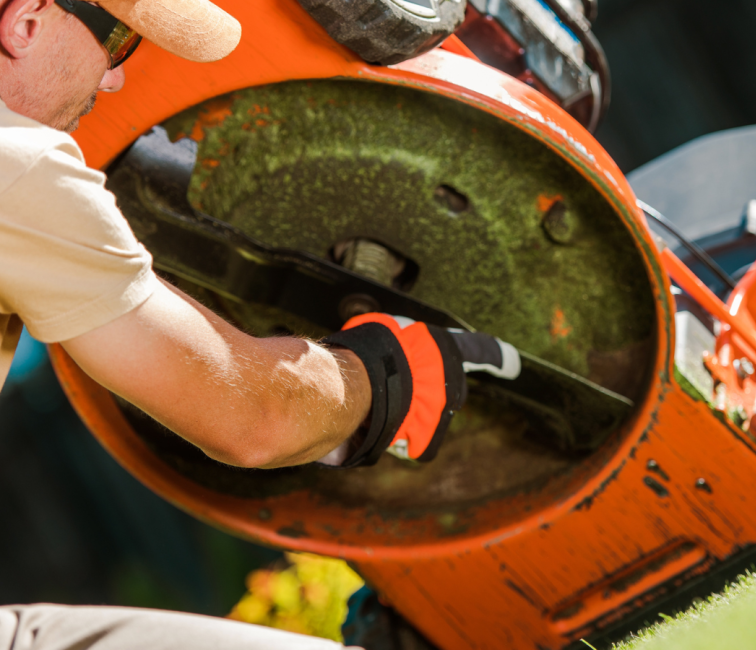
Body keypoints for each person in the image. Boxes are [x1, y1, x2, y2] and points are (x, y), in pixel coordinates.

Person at [0, 0, 520, 645]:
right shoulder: (15, 163)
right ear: (24, 22)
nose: (113, 78)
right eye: (120, 42)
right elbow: (254, 419)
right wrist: (384, 374)